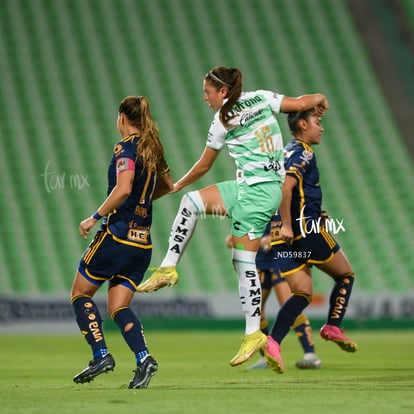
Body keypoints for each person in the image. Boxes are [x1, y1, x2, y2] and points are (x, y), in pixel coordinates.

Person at [137, 66, 329, 367]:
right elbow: (301, 102)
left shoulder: (222, 120)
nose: (205, 97)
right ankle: (168, 269)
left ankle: (253, 333)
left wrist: (175, 184)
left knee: (243, 262)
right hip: (246, 186)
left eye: (208, 92)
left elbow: (203, 166)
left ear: (223, 92)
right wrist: (319, 97)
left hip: (259, 193)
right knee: (192, 203)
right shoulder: (262, 98)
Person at [70, 96, 173, 388]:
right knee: (118, 307)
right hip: (142, 244)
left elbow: (124, 187)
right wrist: (142, 203)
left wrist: (94, 217)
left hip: (117, 236)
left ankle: (101, 354)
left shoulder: (125, 147)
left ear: (122, 118)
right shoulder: (154, 149)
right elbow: (169, 186)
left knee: (80, 294)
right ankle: (144, 359)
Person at [263, 109, 358, 374]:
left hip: (279, 239)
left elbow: (282, 191)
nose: (321, 128)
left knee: (302, 293)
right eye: (318, 122)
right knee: (346, 275)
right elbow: (286, 188)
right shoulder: (303, 151)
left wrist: (283, 224)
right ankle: (333, 326)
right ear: (303, 124)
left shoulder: (282, 152)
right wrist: (290, 222)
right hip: (306, 231)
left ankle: (273, 342)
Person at [226, 218, 322, 370]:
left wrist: (268, 239)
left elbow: (288, 229)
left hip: (280, 260)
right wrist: (235, 237)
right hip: (259, 261)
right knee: (257, 310)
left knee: (289, 305)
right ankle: (265, 357)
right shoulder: (255, 206)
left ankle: (310, 354)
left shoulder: (280, 204)